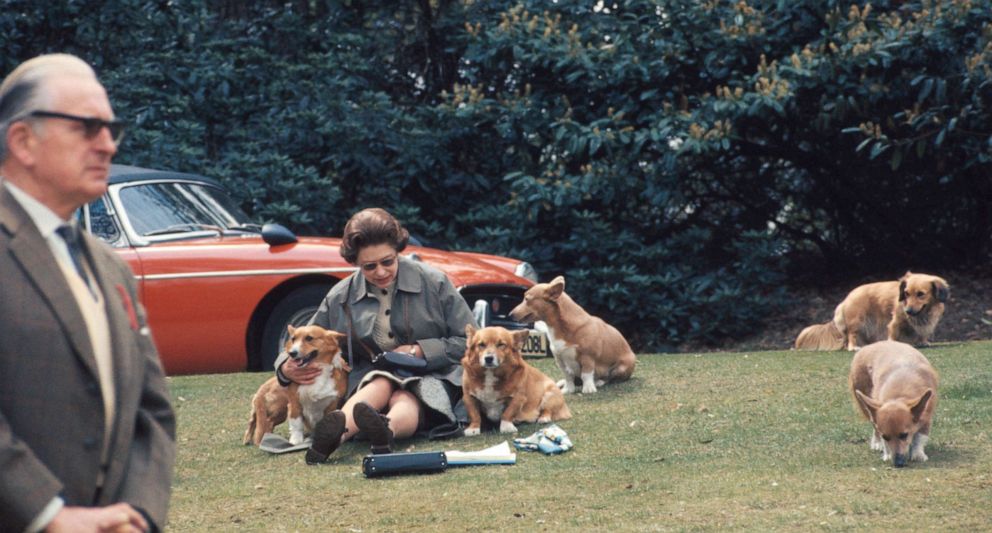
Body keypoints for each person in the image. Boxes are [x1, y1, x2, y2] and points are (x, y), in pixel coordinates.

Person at [0, 54, 176, 532]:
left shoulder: (110, 266)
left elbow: (152, 408)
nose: (107, 146)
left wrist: (138, 513)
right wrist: (49, 515)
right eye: (87, 128)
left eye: (111, 129)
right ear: (22, 141)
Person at [275, 207, 476, 464]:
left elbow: (472, 342)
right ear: (355, 263)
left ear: (398, 252)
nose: (380, 272)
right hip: (371, 379)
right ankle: (339, 435)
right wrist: (286, 369)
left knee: (404, 394)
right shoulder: (340, 296)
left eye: (388, 262)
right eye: (369, 266)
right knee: (381, 382)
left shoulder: (434, 282)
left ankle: (378, 430)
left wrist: (420, 351)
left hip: (434, 374)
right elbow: (300, 341)